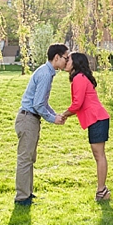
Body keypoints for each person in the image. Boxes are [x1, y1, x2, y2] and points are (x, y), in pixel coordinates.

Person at [14, 43, 69, 206]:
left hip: (31, 118)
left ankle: (27, 194)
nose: (67, 61)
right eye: (66, 58)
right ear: (57, 57)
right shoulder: (45, 74)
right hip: (28, 118)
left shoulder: (47, 72)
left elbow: (42, 102)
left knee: (29, 158)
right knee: (25, 158)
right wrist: (53, 119)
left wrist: (54, 115)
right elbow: (38, 105)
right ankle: (22, 197)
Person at [60, 52, 111, 201]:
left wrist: (64, 115)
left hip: (97, 119)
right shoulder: (79, 78)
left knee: (99, 155)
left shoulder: (79, 78)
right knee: (99, 155)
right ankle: (102, 191)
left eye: (68, 60)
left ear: (75, 63)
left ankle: (102, 191)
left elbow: (77, 104)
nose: (66, 62)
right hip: (96, 120)